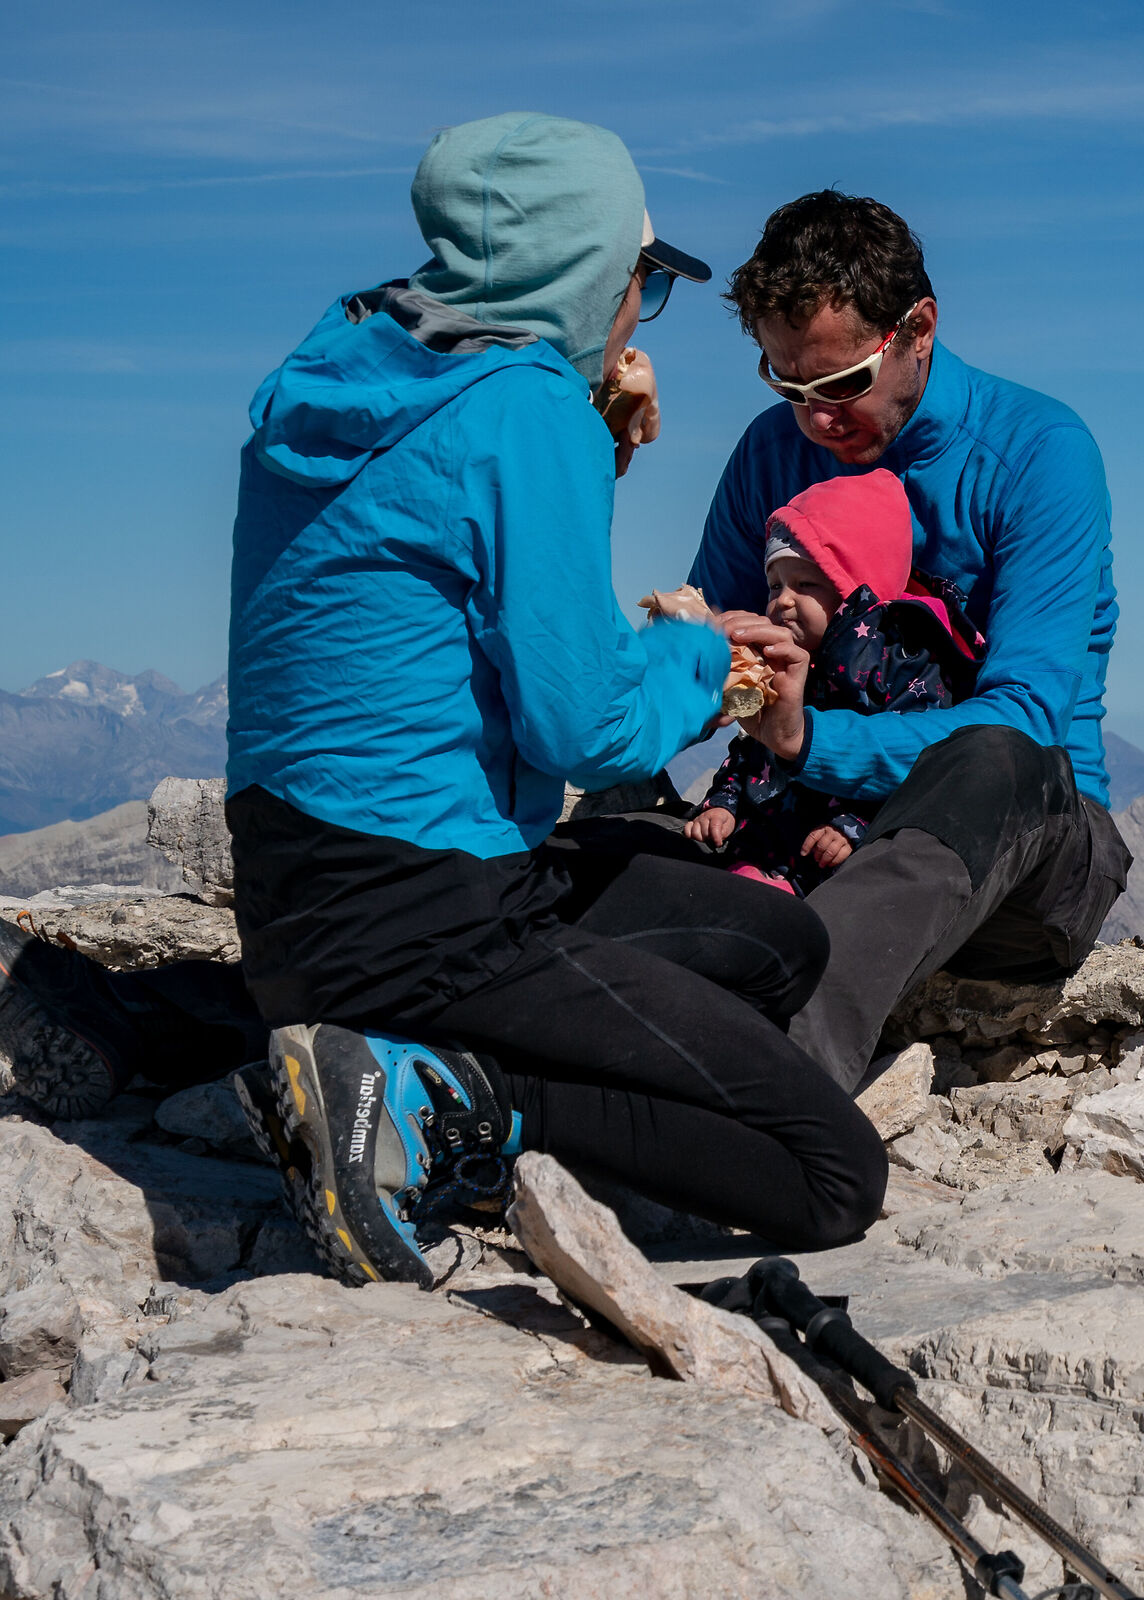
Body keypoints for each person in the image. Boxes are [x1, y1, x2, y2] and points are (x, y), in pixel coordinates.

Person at [224, 114, 885, 1288]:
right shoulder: (526, 408)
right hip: (431, 912)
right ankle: (450, 1100)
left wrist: (635, 570)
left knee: (777, 940)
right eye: (642, 282)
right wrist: (697, 661)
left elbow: (460, 611)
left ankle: (355, 1048)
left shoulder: (351, 356)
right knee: (832, 1172)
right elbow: (579, 725)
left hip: (299, 895)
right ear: (590, 277)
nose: (638, 313)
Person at [692, 192, 1131, 1094]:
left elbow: (1030, 716)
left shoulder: (1038, 453)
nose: (816, 421)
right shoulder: (770, 454)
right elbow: (710, 647)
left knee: (997, 753)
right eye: (787, 385)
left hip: (1022, 855)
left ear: (918, 328)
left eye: (841, 385)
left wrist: (811, 741)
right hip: (801, 829)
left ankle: (775, 1087)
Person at [685, 469, 979, 894]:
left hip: (831, 862)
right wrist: (723, 803)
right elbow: (751, 746)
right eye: (774, 585)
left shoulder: (904, 664)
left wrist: (853, 826)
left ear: (855, 588)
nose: (783, 599)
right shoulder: (781, 659)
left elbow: (910, 767)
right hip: (764, 847)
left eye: (806, 584)